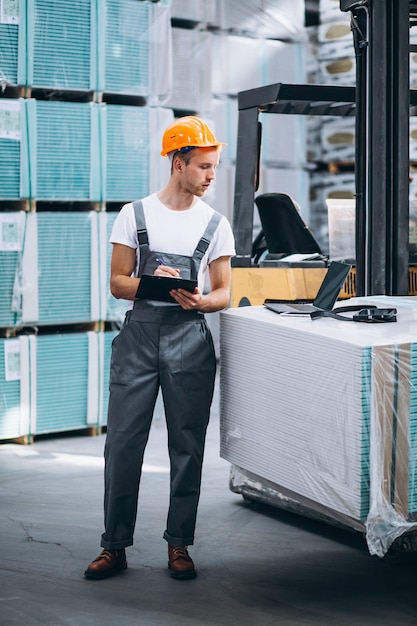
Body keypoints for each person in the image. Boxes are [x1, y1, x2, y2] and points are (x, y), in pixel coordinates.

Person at [84, 116, 236, 581]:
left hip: (190, 338)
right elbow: (117, 283)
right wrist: (152, 283)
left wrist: (201, 300)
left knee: (187, 446)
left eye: (214, 167)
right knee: (123, 444)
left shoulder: (216, 223)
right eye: (204, 166)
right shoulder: (136, 215)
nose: (211, 176)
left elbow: (223, 292)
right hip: (140, 338)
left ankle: (179, 545)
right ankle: (114, 546)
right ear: (177, 163)